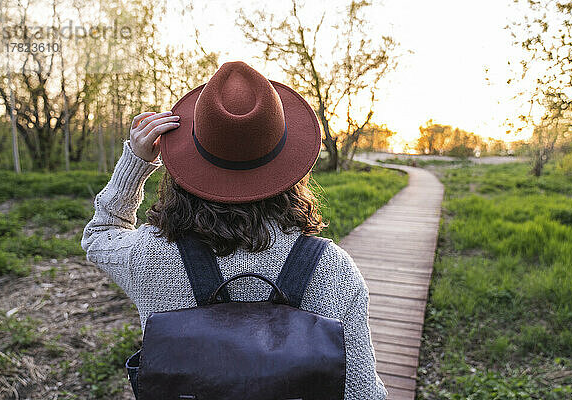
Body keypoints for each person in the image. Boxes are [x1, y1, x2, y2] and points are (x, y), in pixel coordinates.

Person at [81, 61, 388, 399]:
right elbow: (364, 393)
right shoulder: (333, 269)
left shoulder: (148, 254)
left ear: (187, 161)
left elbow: (101, 235)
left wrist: (136, 162)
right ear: (290, 167)